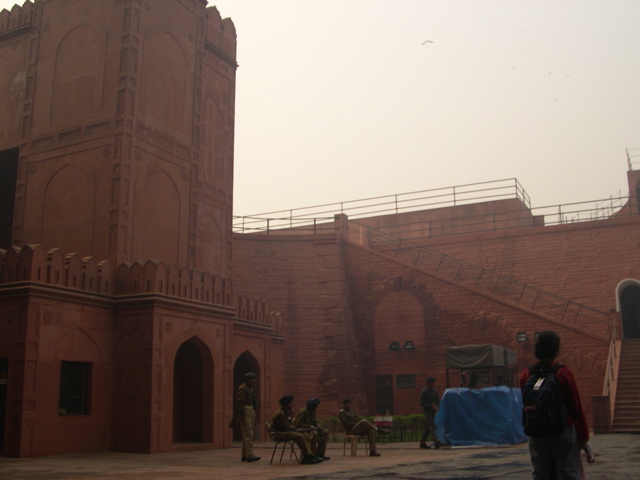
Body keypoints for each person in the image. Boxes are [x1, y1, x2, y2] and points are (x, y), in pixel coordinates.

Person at [519, 330, 595, 480]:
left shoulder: (526, 374)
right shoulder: (563, 373)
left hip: (535, 431)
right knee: (568, 472)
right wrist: (584, 438)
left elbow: (526, 402)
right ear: (556, 351)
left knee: (540, 472)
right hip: (562, 430)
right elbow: (576, 408)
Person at [270, 395, 321, 464]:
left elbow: (290, 423)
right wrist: (297, 429)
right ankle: (307, 456)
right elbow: (286, 427)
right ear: (286, 404)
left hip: (285, 431)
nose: (291, 405)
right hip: (278, 433)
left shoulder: (286, 411)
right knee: (299, 435)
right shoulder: (280, 414)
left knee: (305, 434)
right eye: (290, 403)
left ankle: (311, 454)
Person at [234, 372, 260, 462]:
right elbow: (240, 401)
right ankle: (250, 454)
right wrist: (240, 414)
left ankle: (244, 455)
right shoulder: (243, 388)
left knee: (248, 432)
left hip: (251, 409)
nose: (254, 381)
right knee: (248, 433)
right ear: (248, 380)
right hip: (246, 410)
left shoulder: (250, 388)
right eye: (252, 379)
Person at [419, 376, 443, 449]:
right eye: (432, 383)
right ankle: (436, 441)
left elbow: (437, 400)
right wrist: (430, 406)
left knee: (428, 427)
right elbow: (422, 403)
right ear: (428, 383)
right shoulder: (424, 392)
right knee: (432, 425)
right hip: (427, 410)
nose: (433, 384)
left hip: (433, 410)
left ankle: (422, 443)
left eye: (433, 383)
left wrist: (437, 406)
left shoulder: (434, 391)